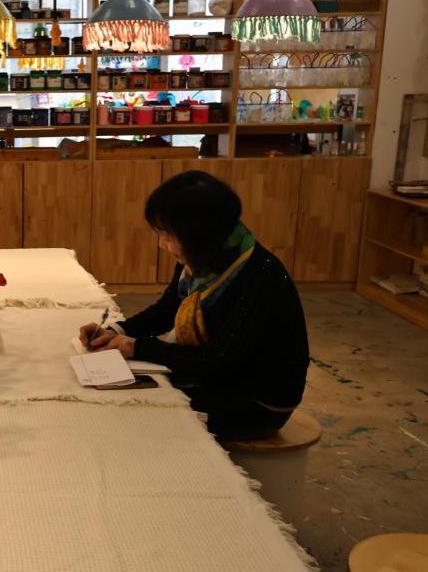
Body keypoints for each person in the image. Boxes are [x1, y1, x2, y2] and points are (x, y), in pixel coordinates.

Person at [79, 170, 309, 441]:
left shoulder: (259, 277)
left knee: (132, 412)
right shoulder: (205, 256)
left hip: (255, 404)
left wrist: (137, 347)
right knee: (121, 400)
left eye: (168, 234)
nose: (162, 244)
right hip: (221, 379)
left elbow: (219, 361)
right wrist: (117, 330)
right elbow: (167, 309)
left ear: (200, 234)